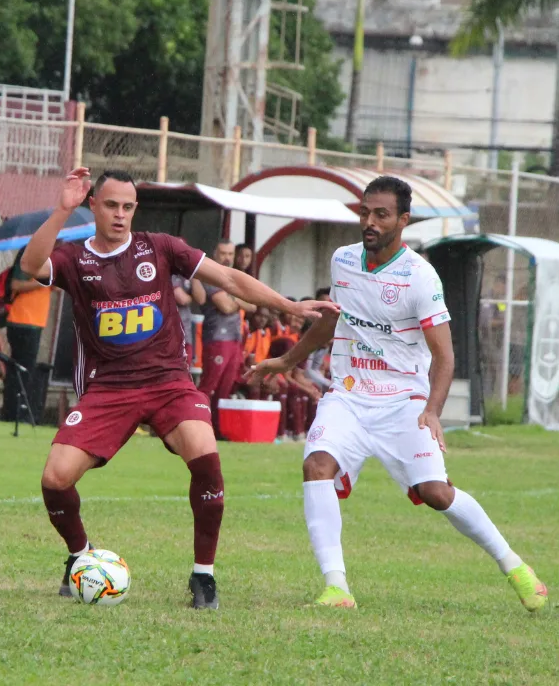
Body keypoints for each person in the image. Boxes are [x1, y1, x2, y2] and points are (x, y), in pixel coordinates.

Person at [18, 168, 337, 610]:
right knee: (55, 480)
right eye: (111, 205)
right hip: (108, 388)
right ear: (93, 204)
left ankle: (203, 576)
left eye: (128, 207)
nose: (120, 215)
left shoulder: (159, 247)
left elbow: (228, 279)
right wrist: (61, 209)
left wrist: (290, 306)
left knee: (207, 458)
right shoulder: (75, 259)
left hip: (170, 382)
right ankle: (80, 557)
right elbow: (31, 266)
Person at [250, 175, 547, 612]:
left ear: (403, 220)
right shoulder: (343, 260)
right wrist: (286, 361)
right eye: (365, 212)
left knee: (436, 493)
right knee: (316, 466)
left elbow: (445, 355)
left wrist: (432, 411)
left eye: (381, 214)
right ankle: (337, 588)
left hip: (403, 403)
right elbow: (333, 321)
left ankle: (515, 566)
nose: (369, 221)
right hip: (348, 395)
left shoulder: (420, 278)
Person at [195, 240, 255, 432]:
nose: (227, 257)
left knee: (227, 387)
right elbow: (226, 307)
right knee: (209, 384)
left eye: (230, 253)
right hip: (217, 336)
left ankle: (219, 429)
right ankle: (198, 426)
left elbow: (253, 305)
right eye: (223, 253)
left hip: (235, 338)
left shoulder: (235, 276)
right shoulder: (210, 275)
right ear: (215, 253)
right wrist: (240, 298)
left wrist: (234, 298)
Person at [2, 247, 52, 423]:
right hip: (23, 321)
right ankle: (13, 414)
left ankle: (16, 412)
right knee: (21, 370)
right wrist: (41, 282)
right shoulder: (31, 255)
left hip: (35, 322)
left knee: (25, 369)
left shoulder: (49, 260)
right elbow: (15, 284)